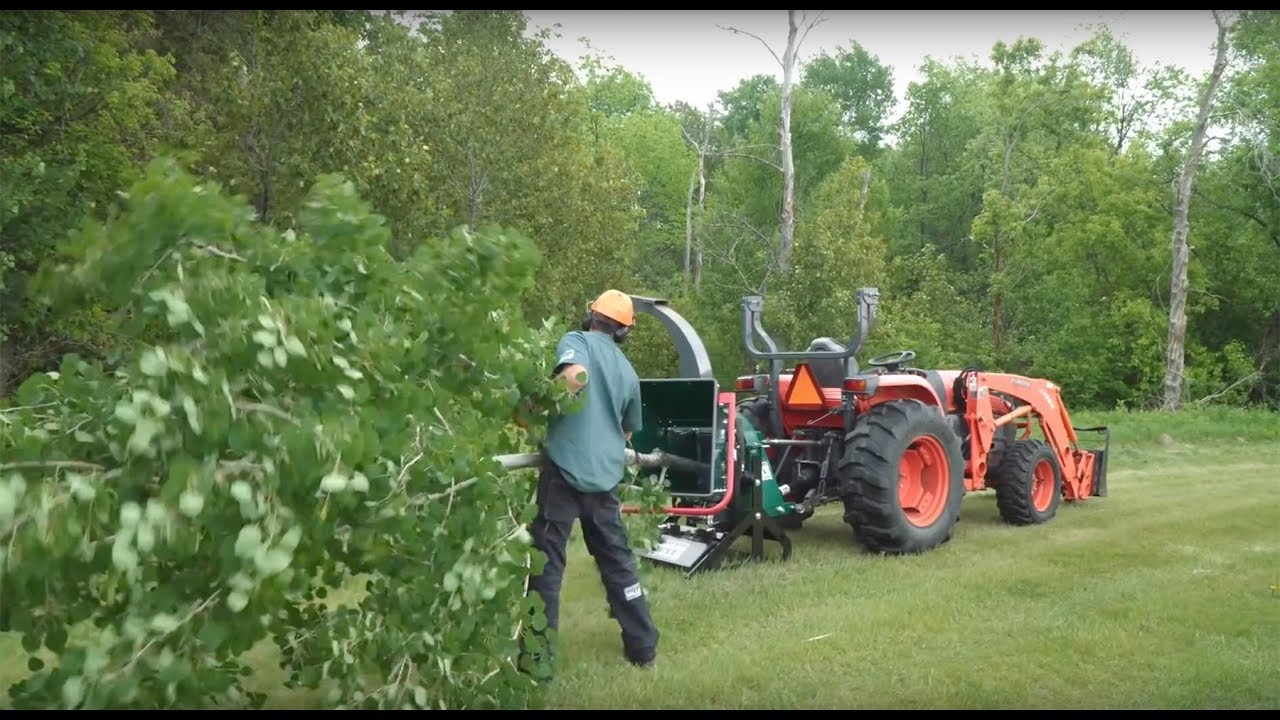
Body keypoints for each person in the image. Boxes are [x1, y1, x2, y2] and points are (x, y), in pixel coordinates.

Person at [519, 289, 660, 678]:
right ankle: (643, 647)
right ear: (624, 331)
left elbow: (574, 377)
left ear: (591, 317)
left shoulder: (576, 340)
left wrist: (531, 409)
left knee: (547, 567)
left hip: (564, 472)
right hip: (604, 478)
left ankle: (536, 663)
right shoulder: (628, 371)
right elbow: (627, 433)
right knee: (618, 563)